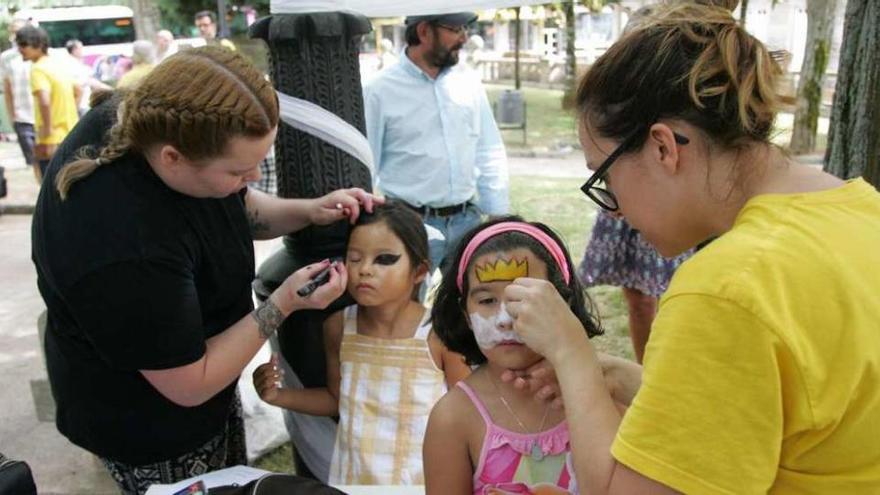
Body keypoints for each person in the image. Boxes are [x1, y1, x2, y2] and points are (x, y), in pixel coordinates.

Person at [503, 2, 880, 494]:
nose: (612, 210)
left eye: (604, 175)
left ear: (663, 147)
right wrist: (636, 387)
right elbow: (803, 412)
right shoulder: (859, 207)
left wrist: (571, 352)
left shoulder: (725, 290)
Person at [31, 46, 382, 495]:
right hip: (150, 426)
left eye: (260, 161)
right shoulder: (126, 247)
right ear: (173, 157)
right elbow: (189, 385)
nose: (253, 176)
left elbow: (234, 202)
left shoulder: (151, 118)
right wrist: (284, 302)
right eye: (239, 169)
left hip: (198, 385)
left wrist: (308, 211)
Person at [254, 201, 470, 485]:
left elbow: (468, 412)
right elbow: (337, 399)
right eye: (354, 258)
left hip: (422, 483)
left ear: (419, 272)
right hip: (353, 480)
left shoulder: (437, 333)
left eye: (384, 259)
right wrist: (278, 396)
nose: (365, 270)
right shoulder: (339, 326)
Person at [424, 217, 604, 494]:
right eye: (486, 301)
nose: (505, 319)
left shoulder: (603, 396)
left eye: (522, 298)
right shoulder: (452, 418)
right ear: (466, 316)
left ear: (561, 305)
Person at [363, 12, 509, 272]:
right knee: (404, 310)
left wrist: (497, 213)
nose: (465, 37)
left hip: (468, 222)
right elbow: (365, 164)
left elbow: (489, 149)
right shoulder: (378, 91)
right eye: (455, 29)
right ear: (423, 32)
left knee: (471, 308)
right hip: (409, 225)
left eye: (465, 28)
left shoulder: (469, 82)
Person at [16, 25, 79, 182]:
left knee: (48, 190)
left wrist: (47, 130)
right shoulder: (56, 64)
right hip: (70, 134)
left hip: (50, 140)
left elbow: (44, 101)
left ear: (38, 45)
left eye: (24, 45)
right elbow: (78, 90)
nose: (20, 50)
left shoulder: (38, 69)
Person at [1, 18, 35, 169]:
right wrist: (12, 117)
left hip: (42, 115)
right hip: (22, 116)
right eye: (14, 32)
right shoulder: (7, 57)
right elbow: (7, 89)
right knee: (33, 160)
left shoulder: (38, 54)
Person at [65, 39, 112, 116]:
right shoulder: (74, 66)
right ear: (74, 50)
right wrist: (110, 89)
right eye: (80, 48)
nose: (82, 51)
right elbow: (90, 82)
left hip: (78, 105)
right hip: (81, 105)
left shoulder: (71, 63)